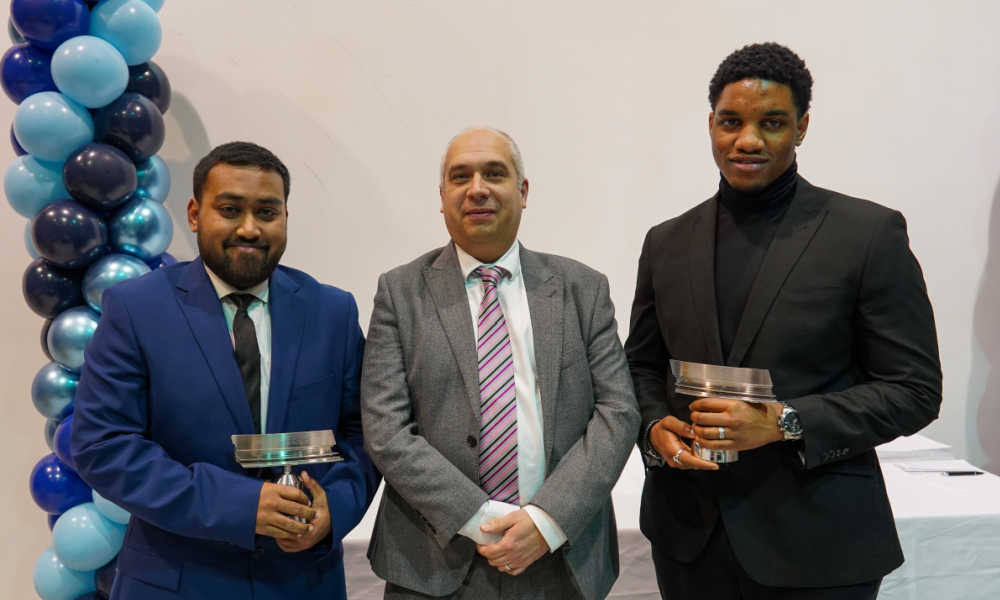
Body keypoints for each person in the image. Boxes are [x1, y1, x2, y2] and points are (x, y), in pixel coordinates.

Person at [625, 43, 942, 599]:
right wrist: (653, 425)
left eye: (771, 123)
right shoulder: (666, 242)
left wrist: (784, 421)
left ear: (802, 128)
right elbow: (641, 366)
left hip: (819, 543)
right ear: (711, 125)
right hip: (690, 539)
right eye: (732, 122)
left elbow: (915, 390)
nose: (748, 140)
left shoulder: (867, 235)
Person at [71, 141, 379, 599]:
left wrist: (333, 508)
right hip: (177, 582)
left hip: (303, 582)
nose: (250, 228)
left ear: (286, 218)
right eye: (230, 209)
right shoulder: (136, 309)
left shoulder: (332, 311)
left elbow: (365, 432)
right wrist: (240, 506)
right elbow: (104, 444)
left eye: (267, 212)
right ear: (195, 214)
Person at [361, 127, 639, 600]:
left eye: (495, 173)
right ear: (443, 196)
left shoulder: (582, 289)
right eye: (460, 176)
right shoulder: (400, 291)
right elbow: (386, 429)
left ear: (523, 191)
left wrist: (545, 519)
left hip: (561, 558)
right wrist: (480, 519)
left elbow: (619, 412)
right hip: (433, 563)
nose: (478, 188)